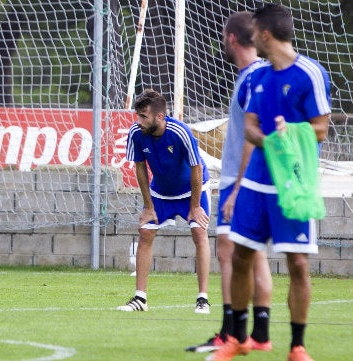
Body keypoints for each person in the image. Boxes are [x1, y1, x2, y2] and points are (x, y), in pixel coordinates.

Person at [207, 3, 331, 361]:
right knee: (241, 255)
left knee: (298, 263)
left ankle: (297, 346)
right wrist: (271, 140)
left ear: (265, 34)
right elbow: (249, 127)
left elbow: (321, 129)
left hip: (292, 184)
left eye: (255, 31)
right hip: (256, 183)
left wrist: (287, 133)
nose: (252, 38)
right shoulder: (258, 77)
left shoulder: (310, 73)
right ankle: (239, 338)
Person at [186, 11, 273, 353]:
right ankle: (258, 334)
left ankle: (231, 333)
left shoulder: (253, 78)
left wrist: (237, 188)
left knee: (228, 253)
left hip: (243, 184)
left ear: (232, 39)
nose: (222, 40)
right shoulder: (252, 76)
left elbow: (254, 135)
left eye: (224, 35)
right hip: (251, 183)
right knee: (253, 257)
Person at [118, 89, 212, 314]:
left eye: (143, 116)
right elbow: (140, 168)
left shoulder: (180, 132)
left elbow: (196, 168)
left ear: (159, 117)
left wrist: (195, 206)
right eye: (138, 116)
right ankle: (140, 299)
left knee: (199, 232)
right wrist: (149, 207)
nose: (138, 121)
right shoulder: (136, 133)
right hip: (161, 191)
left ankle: (203, 299)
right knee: (145, 232)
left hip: (192, 189)